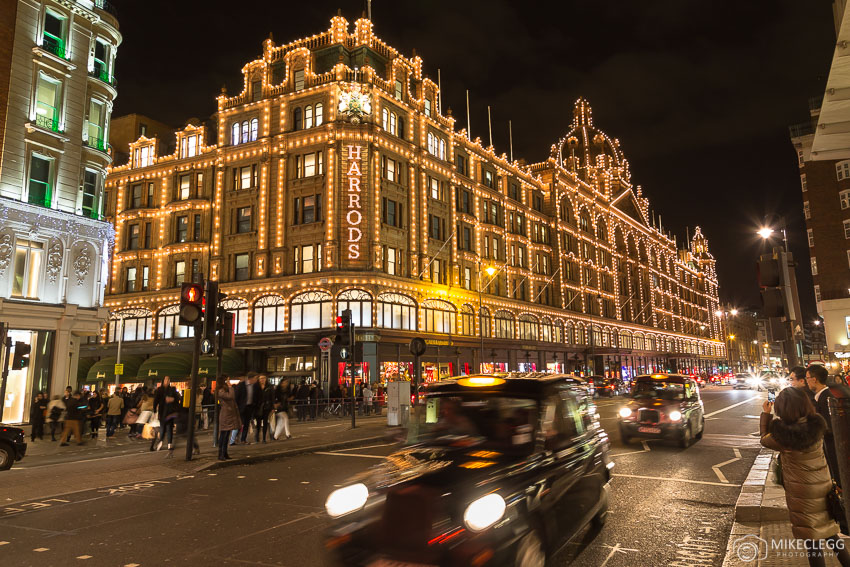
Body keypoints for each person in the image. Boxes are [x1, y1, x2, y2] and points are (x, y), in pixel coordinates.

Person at [761, 387, 850, 567]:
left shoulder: (784, 435)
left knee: (812, 540)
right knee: (829, 532)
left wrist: (766, 415)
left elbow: (764, 439)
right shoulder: (816, 424)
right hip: (822, 486)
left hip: (802, 493)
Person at [806, 364, 841, 488]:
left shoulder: (826, 399)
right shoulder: (823, 396)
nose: (807, 381)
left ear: (814, 379)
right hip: (831, 447)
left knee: (837, 478)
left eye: (807, 378)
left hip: (832, 448)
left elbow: (829, 427)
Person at [153, 376, 180, 453]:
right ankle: (161, 441)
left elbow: (178, 398)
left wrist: (172, 399)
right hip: (163, 411)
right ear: (163, 381)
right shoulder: (159, 390)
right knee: (162, 427)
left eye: (168, 380)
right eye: (166, 379)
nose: (167, 381)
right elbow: (156, 400)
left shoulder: (172, 389)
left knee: (169, 427)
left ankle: (169, 443)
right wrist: (154, 410)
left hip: (170, 411)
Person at [216, 380, 241, 461]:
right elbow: (230, 396)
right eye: (228, 380)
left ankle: (225, 453)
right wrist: (230, 387)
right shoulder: (221, 391)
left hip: (229, 414)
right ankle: (221, 454)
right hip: (226, 415)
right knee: (223, 434)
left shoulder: (223, 390)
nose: (229, 382)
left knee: (226, 434)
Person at [235, 374, 260, 444]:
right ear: (251, 378)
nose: (256, 380)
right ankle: (236, 436)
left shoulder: (255, 386)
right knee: (240, 423)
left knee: (246, 423)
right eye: (255, 378)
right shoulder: (241, 385)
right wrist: (237, 407)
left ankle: (243, 439)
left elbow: (256, 396)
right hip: (241, 407)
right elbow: (237, 396)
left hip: (249, 407)